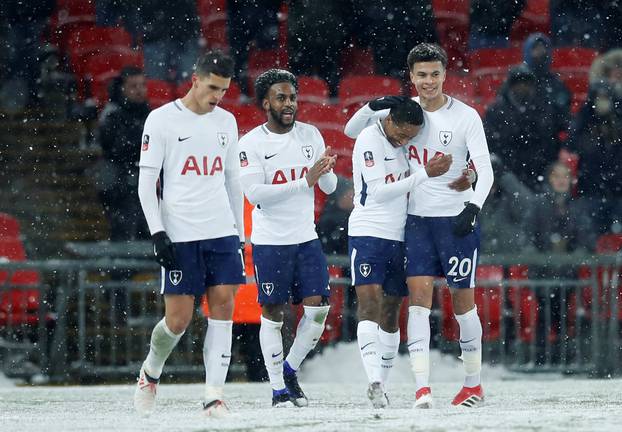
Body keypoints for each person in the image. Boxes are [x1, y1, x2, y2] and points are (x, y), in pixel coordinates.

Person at [344, 43, 494, 408]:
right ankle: (422, 388)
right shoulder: (402, 116)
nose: (429, 82)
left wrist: (473, 205)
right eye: (421, 75)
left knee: (463, 305)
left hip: (456, 220)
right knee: (418, 305)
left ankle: (473, 384)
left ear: (446, 75)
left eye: (435, 74)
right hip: (416, 223)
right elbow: (353, 132)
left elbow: (485, 169)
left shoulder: (465, 117)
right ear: (411, 77)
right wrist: (371, 105)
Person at [133, 51, 245, 418]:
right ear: (194, 80)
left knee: (224, 306)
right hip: (180, 232)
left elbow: (232, 179)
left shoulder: (227, 122)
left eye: (224, 90)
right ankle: (150, 373)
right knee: (178, 321)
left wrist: (239, 234)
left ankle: (214, 396)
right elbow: (146, 183)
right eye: (213, 87)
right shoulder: (162, 119)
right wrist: (158, 232)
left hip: (221, 231)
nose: (218, 96)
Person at [238, 69, 337, 407]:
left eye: (293, 97)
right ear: (266, 102)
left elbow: (329, 187)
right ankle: (278, 388)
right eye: (281, 97)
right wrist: (305, 180)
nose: (289, 103)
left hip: (305, 238)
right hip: (270, 241)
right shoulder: (251, 143)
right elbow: (256, 194)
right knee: (273, 313)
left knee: (318, 311)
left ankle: (290, 368)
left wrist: (326, 173)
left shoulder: (310, 135)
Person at [348, 97, 451, 408]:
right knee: (369, 305)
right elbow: (378, 192)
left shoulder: (400, 131)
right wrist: (424, 175)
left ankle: (383, 388)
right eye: (403, 134)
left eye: (411, 136)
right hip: (368, 231)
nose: (406, 141)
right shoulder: (370, 138)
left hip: (401, 234)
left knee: (392, 313)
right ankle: (373, 379)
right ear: (389, 120)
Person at [95, 66, 151, 241]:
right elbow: (116, 149)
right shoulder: (112, 114)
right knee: (124, 228)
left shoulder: (150, 114)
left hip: (143, 180)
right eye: (134, 86)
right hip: (120, 182)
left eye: (142, 85)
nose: (140, 90)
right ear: (122, 89)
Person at [484, 64, 560, 190]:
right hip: (507, 170)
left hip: (538, 169)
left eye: (527, 84)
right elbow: (490, 139)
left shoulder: (544, 108)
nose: (523, 87)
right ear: (511, 86)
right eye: (518, 83)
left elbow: (550, 138)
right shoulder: (497, 110)